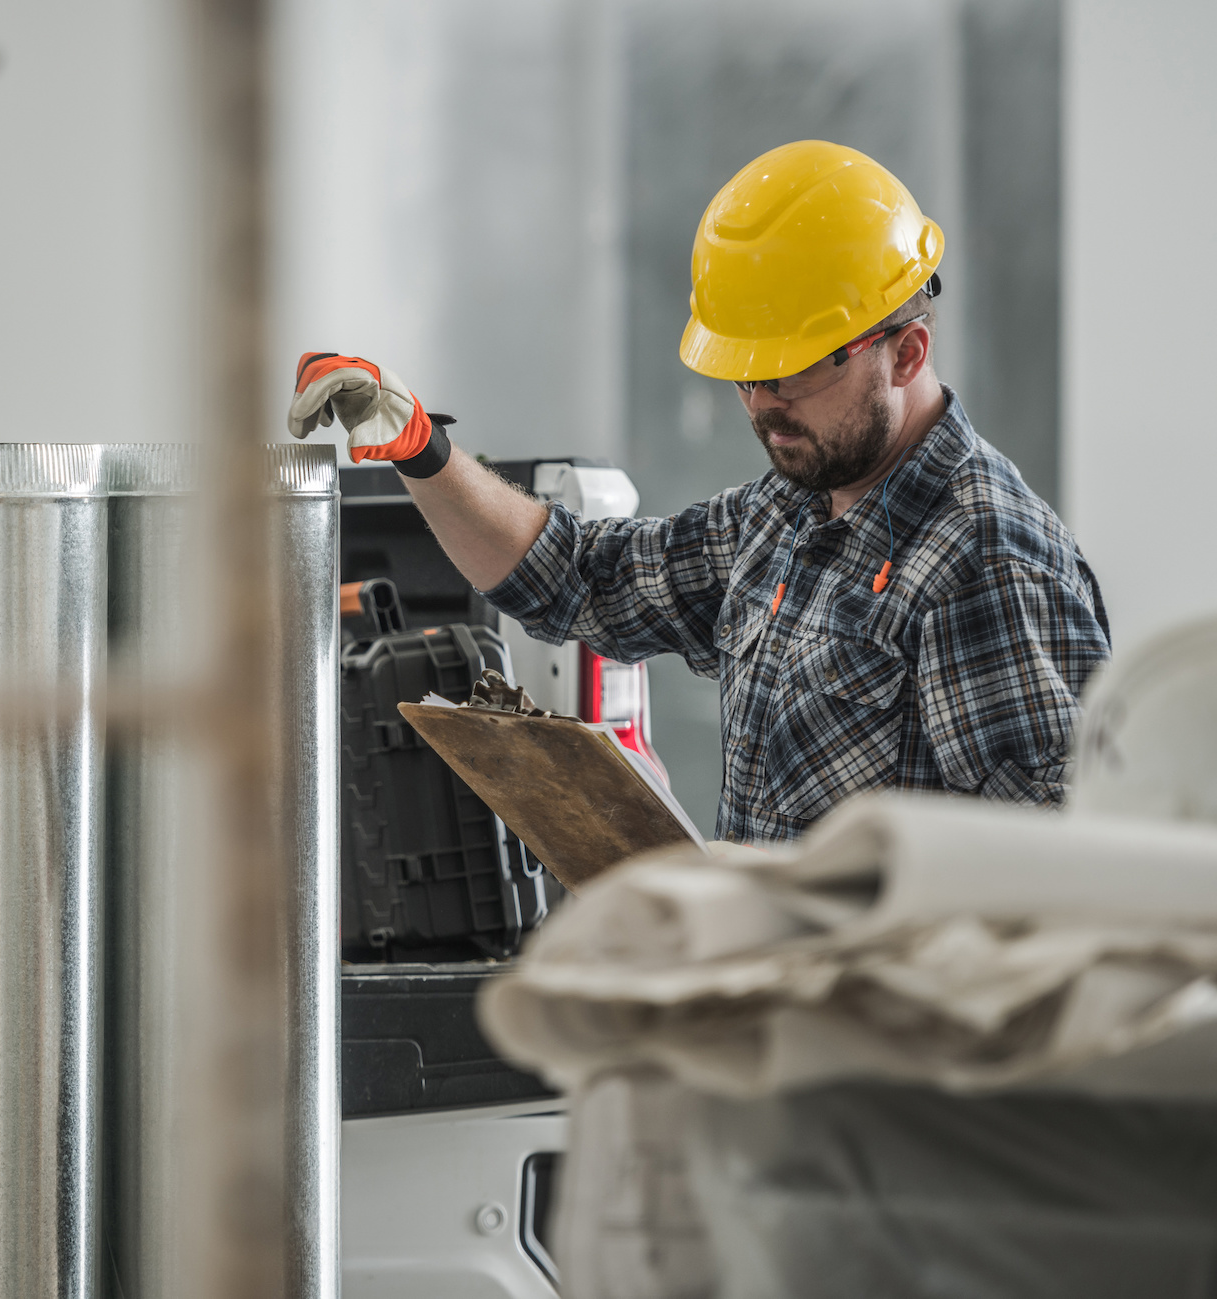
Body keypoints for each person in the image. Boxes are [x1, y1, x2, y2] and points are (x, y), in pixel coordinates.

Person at [289, 140, 1111, 844]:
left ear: (905, 352)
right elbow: (576, 576)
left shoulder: (989, 561)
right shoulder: (785, 512)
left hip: (880, 1028)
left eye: (787, 371)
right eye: (743, 376)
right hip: (760, 1012)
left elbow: (1045, 895)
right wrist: (420, 449)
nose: (760, 404)